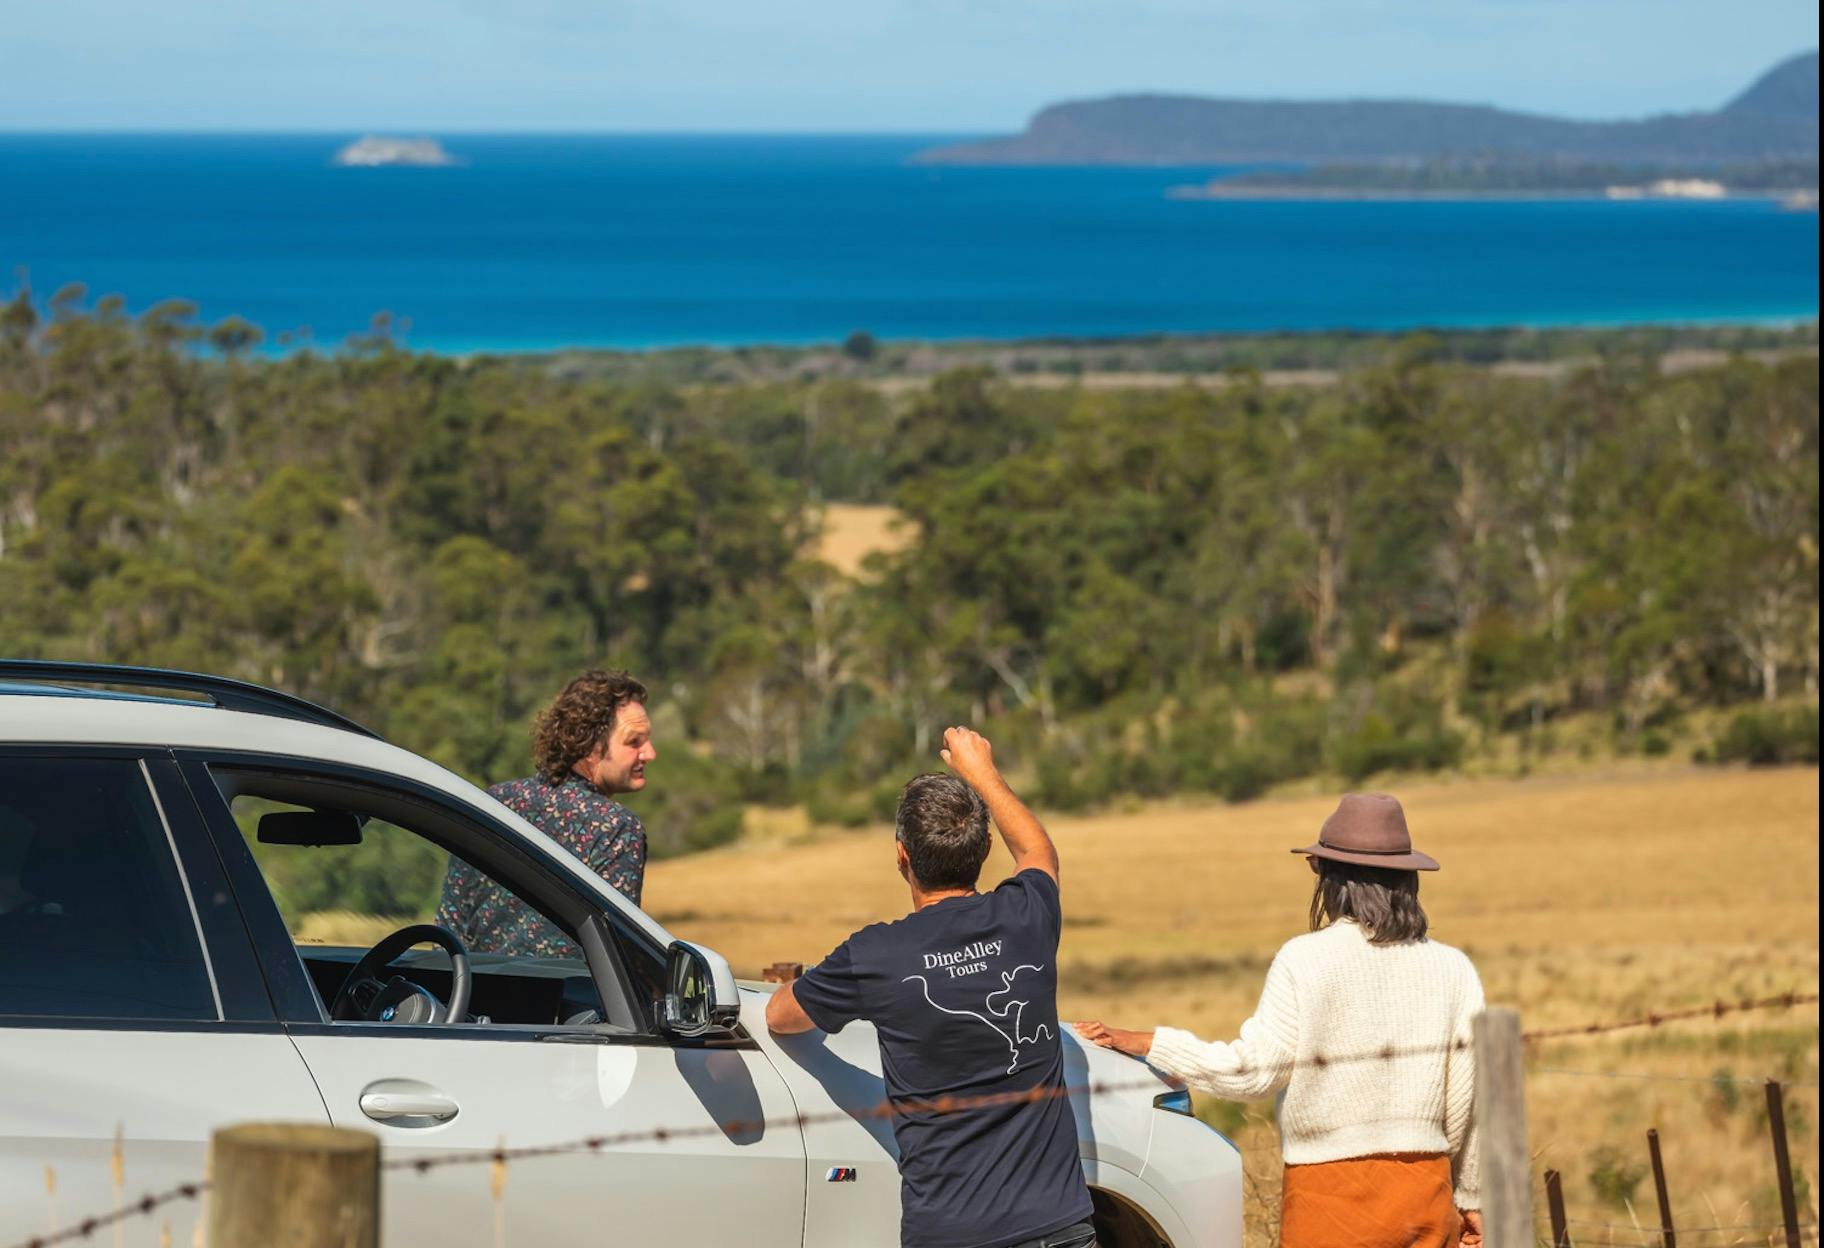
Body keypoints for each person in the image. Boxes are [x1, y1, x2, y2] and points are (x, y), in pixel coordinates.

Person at [1076, 793, 1485, 1248]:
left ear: (1331, 879)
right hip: (1424, 1188)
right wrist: (1471, 1197)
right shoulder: (1454, 969)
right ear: (1407, 880)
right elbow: (1469, 1103)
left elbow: (1254, 1073)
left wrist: (1150, 1042)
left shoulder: (1304, 959)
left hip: (1328, 1195)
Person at [766, 728, 1098, 1248]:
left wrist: (806, 985)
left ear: (902, 857)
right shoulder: (1026, 915)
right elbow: (1038, 851)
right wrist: (983, 773)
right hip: (1059, 1228)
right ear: (985, 849)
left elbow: (780, 1018)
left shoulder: (875, 955)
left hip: (951, 1234)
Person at [436, 668, 657, 956]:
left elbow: (448, 928)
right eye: (633, 742)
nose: (649, 753)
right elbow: (616, 949)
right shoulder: (616, 827)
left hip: (471, 995)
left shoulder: (493, 802)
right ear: (590, 744)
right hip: (563, 999)